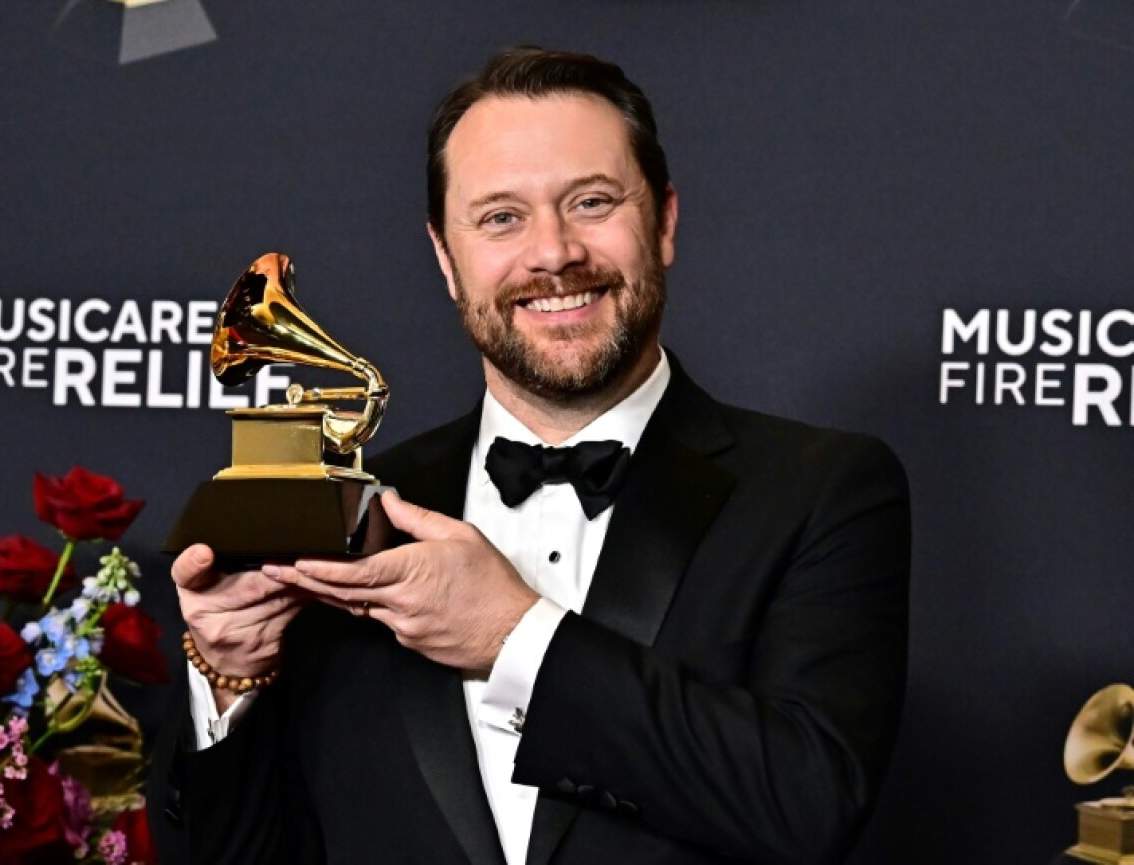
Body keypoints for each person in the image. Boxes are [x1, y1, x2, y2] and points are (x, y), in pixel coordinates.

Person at [147, 46, 911, 865]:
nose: (552, 253)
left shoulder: (819, 488)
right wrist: (232, 679)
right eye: (501, 216)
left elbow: (809, 802)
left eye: (590, 201)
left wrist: (514, 637)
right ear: (447, 258)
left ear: (664, 224)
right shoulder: (357, 510)